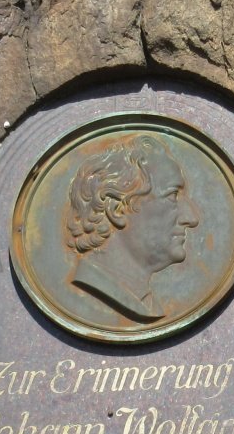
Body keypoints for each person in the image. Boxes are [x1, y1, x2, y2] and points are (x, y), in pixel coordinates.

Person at [64, 134, 200, 322]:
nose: (191, 218)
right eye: (172, 195)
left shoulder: (148, 303)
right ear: (116, 210)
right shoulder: (92, 292)